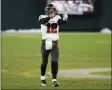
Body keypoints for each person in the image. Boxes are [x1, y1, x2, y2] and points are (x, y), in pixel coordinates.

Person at [38, 3, 68, 87]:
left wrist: (65, 19)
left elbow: (62, 22)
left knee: (54, 61)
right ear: (47, 11)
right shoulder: (42, 16)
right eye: (50, 10)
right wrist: (50, 17)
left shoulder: (57, 17)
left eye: (53, 10)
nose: (52, 12)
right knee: (44, 62)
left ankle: (54, 80)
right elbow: (42, 22)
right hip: (45, 42)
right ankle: (42, 77)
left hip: (54, 43)